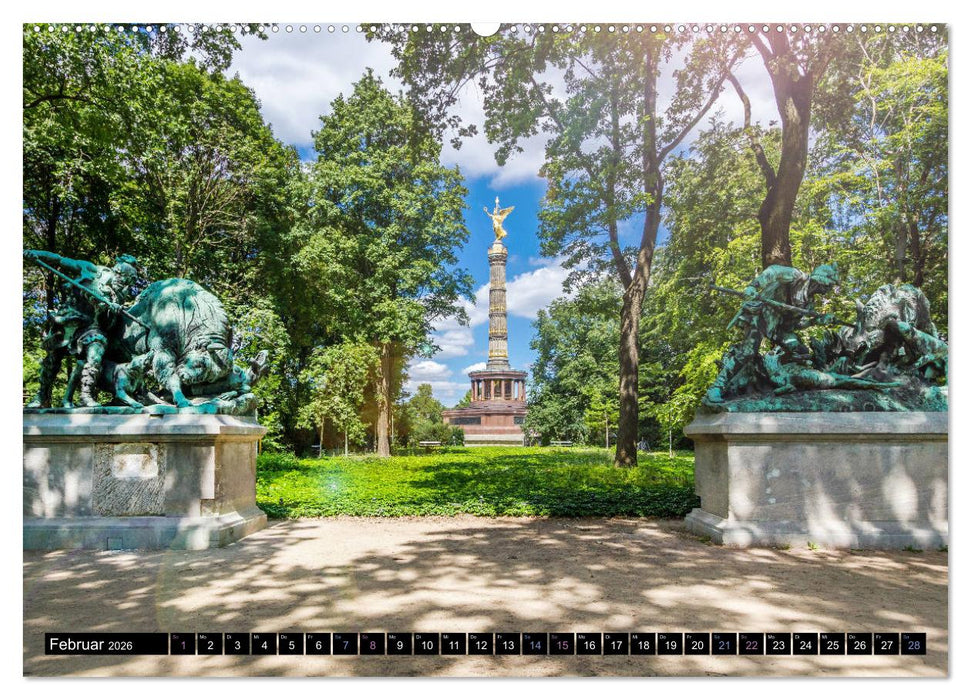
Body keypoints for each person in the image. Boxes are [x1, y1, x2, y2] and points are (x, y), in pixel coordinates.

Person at [705, 263, 840, 405]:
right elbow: (773, 271)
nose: (828, 290)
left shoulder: (809, 303)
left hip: (778, 328)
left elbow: (795, 325)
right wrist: (753, 286)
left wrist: (815, 321)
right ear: (821, 281)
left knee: (801, 351)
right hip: (761, 316)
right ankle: (716, 388)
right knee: (748, 352)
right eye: (828, 285)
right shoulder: (796, 276)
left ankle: (786, 383)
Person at [25, 250, 140, 408]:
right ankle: (41, 396)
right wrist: (35, 254)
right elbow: (60, 259)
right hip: (69, 320)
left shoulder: (117, 297)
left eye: (128, 283)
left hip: (92, 328)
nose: (124, 285)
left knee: (96, 353)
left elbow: (108, 325)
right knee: (53, 359)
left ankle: (85, 395)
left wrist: (109, 311)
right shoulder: (91, 270)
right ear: (117, 272)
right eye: (123, 280)